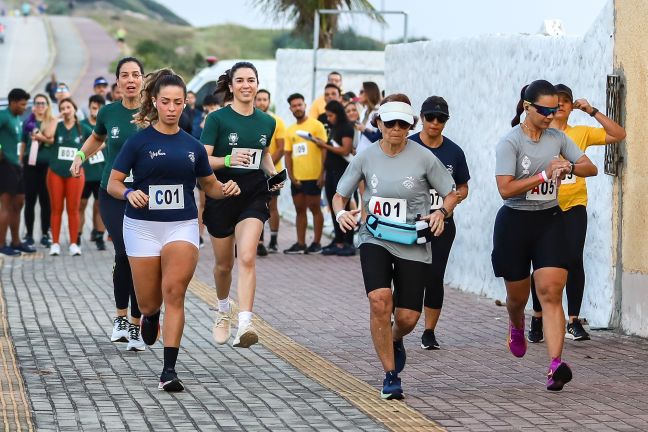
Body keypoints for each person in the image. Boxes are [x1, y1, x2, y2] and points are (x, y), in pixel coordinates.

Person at [108, 68, 240, 392]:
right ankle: (149, 317)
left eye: (177, 102)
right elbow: (113, 182)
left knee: (175, 292)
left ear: (184, 104)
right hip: (141, 227)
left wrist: (228, 189)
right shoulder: (138, 142)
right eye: (165, 101)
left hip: (181, 225)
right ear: (154, 101)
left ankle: (169, 370)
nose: (171, 108)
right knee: (150, 303)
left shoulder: (193, 146)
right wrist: (129, 192)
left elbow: (209, 185)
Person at [332, 94, 458, 400]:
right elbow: (340, 194)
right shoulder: (366, 157)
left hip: (413, 242)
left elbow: (451, 192)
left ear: (411, 125)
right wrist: (341, 213)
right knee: (379, 301)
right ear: (379, 124)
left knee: (407, 318)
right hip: (374, 237)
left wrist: (441, 212)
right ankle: (390, 375)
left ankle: (395, 337)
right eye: (390, 123)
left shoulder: (425, 157)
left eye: (403, 123)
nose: (397, 129)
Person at [493, 79, 598, 391]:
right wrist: (542, 175)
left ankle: (555, 365)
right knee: (518, 297)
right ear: (527, 107)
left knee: (552, 292)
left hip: (550, 220)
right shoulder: (510, 143)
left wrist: (569, 165)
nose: (551, 115)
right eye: (545, 110)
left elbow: (589, 167)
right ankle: (515, 322)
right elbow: (505, 189)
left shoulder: (557, 138)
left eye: (555, 109)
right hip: (514, 222)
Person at [528, 84, 626, 343]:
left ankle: (573, 321)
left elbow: (618, 134)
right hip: (543, 205)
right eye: (556, 101)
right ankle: (537, 317)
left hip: (573, 205)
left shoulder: (579, 133)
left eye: (566, 101)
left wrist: (592, 110)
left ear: (572, 106)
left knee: (573, 259)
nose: (560, 104)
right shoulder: (541, 135)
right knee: (542, 262)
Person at [200, 62, 281, 348]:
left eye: (252, 80)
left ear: (257, 84)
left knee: (246, 256)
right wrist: (228, 161)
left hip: (253, 192)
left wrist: (273, 175)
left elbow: (264, 154)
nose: (247, 85)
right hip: (221, 190)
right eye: (241, 81)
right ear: (231, 86)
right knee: (224, 265)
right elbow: (203, 159)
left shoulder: (267, 121)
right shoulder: (217, 120)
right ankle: (223, 311)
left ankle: (245, 321)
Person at [70, 57, 145, 351]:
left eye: (136, 75)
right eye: (124, 75)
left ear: (143, 79)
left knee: (143, 257)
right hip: (112, 193)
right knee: (124, 251)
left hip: (146, 195)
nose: (130, 80)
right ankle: (120, 318)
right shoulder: (109, 112)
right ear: (117, 82)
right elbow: (96, 138)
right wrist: (79, 156)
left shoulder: (153, 111)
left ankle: (138, 326)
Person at [409, 96, 471, 350]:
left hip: (442, 222)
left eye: (441, 119)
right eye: (430, 118)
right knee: (408, 273)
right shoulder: (408, 145)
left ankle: (429, 331)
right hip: (410, 222)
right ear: (421, 118)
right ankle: (400, 320)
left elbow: (464, 186)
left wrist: (454, 196)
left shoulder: (454, 152)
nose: (435, 123)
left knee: (435, 276)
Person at [283, 93, 327, 254]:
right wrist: (291, 175)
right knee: (299, 210)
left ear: (305, 105)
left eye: (299, 104)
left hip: (314, 176)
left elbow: (324, 149)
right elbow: (288, 154)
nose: (297, 108)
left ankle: (316, 242)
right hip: (297, 178)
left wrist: (323, 173)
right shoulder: (290, 130)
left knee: (315, 209)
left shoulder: (316, 126)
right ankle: (300, 243)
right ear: (290, 109)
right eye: (294, 106)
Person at [47, 98, 89, 256]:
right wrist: (56, 119)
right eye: (62, 107)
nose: (65, 110)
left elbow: (99, 142)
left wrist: (85, 157)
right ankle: (55, 243)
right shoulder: (57, 126)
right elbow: (49, 135)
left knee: (74, 209)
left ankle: (73, 243)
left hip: (75, 173)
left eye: (68, 107)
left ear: (74, 108)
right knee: (56, 208)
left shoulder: (82, 128)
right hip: (56, 172)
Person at [316, 100, 355, 256]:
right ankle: (338, 239)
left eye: (330, 115)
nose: (328, 118)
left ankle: (348, 241)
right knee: (334, 207)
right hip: (331, 172)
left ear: (337, 114)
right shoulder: (334, 128)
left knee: (344, 206)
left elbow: (345, 150)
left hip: (342, 172)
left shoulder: (346, 128)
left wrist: (324, 145)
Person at [0, 88, 35, 256]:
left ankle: (16, 242)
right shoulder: (3, 116)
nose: (24, 107)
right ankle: (1, 244)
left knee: (19, 203)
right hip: (5, 166)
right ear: (13, 102)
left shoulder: (16, 118)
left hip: (16, 166)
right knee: (6, 206)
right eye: (22, 104)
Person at [22, 93, 57, 247]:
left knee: (46, 201)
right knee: (29, 201)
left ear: (47, 105)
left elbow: (52, 140)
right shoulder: (29, 122)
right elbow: (23, 143)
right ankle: (29, 234)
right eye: (37, 103)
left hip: (47, 167)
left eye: (43, 103)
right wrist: (19, 162)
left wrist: (42, 138)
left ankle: (45, 234)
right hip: (30, 166)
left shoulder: (52, 122)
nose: (40, 106)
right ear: (34, 106)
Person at [254, 89, 286, 254]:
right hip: (254, 171)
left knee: (272, 205)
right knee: (258, 205)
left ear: (269, 101)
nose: (261, 102)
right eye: (258, 99)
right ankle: (259, 241)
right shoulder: (251, 120)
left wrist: (267, 166)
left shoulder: (277, 121)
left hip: (273, 170)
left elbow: (281, 148)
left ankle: (273, 240)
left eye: (264, 99)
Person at [79, 95, 107, 250]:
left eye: (98, 107)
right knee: (81, 205)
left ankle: (99, 236)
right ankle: (77, 236)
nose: (95, 109)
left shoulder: (107, 126)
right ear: (89, 107)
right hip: (85, 173)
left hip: (101, 172)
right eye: (93, 106)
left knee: (100, 206)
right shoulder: (81, 125)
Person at [355, 82, 382, 154]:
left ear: (369, 92)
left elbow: (378, 138)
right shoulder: (364, 111)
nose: (359, 95)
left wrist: (363, 129)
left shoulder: (380, 112)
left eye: (361, 92)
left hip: (373, 156)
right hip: (361, 154)